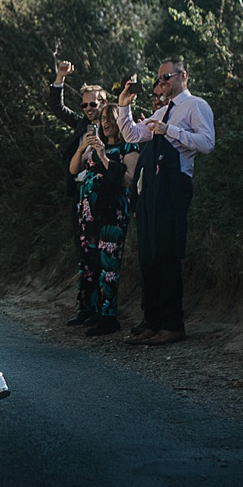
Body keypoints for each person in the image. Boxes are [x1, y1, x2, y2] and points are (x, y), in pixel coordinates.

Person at [114, 57, 214, 346]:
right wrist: (124, 104)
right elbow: (132, 134)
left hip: (174, 185)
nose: (161, 83)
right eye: (158, 79)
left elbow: (207, 143)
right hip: (152, 190)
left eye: (166, 77)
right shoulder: (163, 110)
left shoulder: (196, 106)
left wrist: (169, 130)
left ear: (183, 75)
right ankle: (152, 321)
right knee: (148, 254)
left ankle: (172, 323)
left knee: (167, 254)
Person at [51, 60, 112, 325]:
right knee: (83, 252)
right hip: (78, 196)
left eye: (94, 104)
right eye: (85, 104)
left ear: (104, 103)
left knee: (102, 252)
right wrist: (60, 78)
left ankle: (103, 310)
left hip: (103, 197)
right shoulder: (80, 126)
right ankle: (86, 308)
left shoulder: (115, 128)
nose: (89, 109)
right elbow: (56, 108)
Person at [69, 104, 133, 335]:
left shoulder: (128, 146)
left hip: (111, 213)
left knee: (108, 263)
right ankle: (89, 309)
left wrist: (104, 157)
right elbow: (74, 169)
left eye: (110, 119)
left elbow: (129, 179)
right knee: (89, 260)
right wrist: (83, 148)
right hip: (89, 214)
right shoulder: (95, 143)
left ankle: (108, 316)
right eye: (103, 119)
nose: (106, 123)